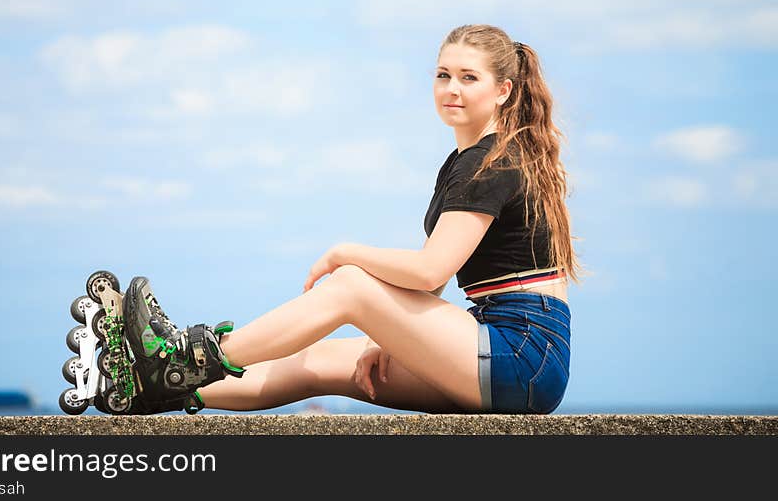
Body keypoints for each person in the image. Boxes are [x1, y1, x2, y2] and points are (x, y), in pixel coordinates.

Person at [120, 23, 580, 416]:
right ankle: (162, 390)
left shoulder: (491, 162)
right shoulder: (470, 160)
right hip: (507, 353)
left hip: (520, 352)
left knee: (351, 285)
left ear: (503, 90)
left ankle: (191, 355)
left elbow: (429, 271)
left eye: (468, 77)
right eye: (443, 75)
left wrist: (345, 253)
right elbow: (432, 281)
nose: (451, 89)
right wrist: (399, 337)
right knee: (319, 362)